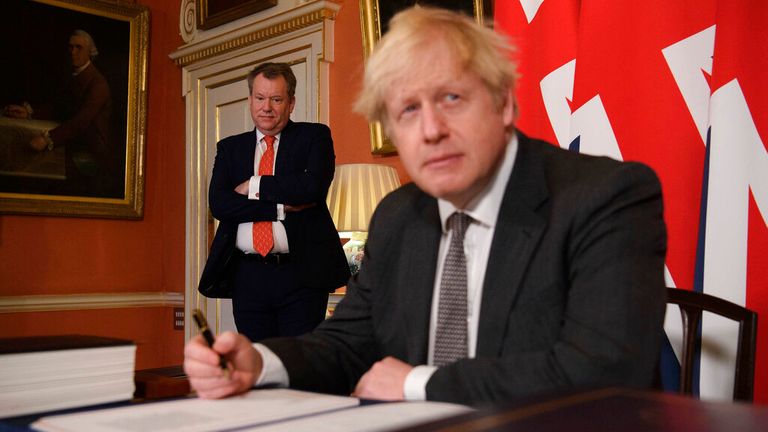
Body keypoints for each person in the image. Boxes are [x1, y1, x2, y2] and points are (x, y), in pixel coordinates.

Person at [184, 7, 667, 407]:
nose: (430, 129)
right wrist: (261, 363)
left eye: (451, 98)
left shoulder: (606, 196)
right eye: (407, 110)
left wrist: (419, 384)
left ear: (502, 103)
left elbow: (605, 372)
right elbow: (347, 342)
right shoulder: (398, 214)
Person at [199, 62, 350, 341]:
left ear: (291, 103)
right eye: (259, 98)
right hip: (247, 277)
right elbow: (220, 204)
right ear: (250, 100)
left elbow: (310, 189)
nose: (266, 107)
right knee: (258, 365)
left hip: (301, 276)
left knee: (299, 365)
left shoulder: (313, 137)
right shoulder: (230, 148)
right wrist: (278, 207)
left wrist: (253, 185)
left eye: (276, 99)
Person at [3, 29, 116, 195]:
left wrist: (48, 139)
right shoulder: (74, 75)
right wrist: (29, 113)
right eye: (70, 47)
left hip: (90, 152)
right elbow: (59, 107)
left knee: (39, 175)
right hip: (72, 141)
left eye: (79, 48)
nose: (73, 52)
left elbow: (81, 122)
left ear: (90, 53)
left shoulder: (98, 84)